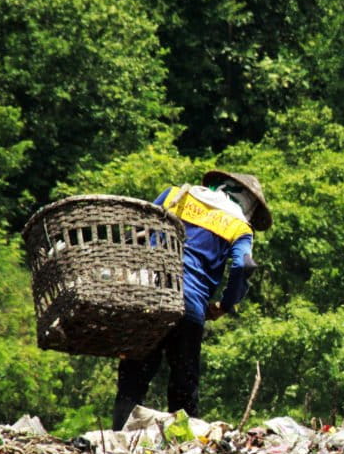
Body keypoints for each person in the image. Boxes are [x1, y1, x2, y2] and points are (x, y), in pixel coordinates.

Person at [112, 169, 272, 430]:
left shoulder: (176, 195)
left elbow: (134, 234)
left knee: (133, 379)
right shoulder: (239, 227)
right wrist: (225, 305)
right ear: (249, 206)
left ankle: (119, 441)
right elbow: (244, 266)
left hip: (148, 296)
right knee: (184, 387)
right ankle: (182, 448)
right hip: (189, 306)